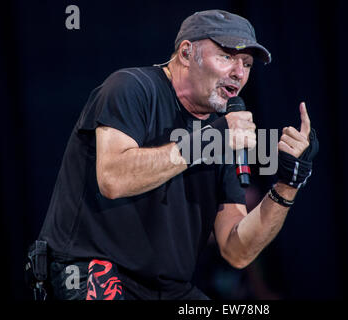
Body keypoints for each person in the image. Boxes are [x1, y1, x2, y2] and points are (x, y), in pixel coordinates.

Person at [35, 9, 318, 300]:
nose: (239, 72)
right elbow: (113, 178)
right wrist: (210, 141)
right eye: (227, 57)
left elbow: (237, 251)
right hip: (92, 270)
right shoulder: (131, 88)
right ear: (186, 52)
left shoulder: (221, 132)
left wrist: (287, 184)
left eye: (246, 63)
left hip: (167, 289)